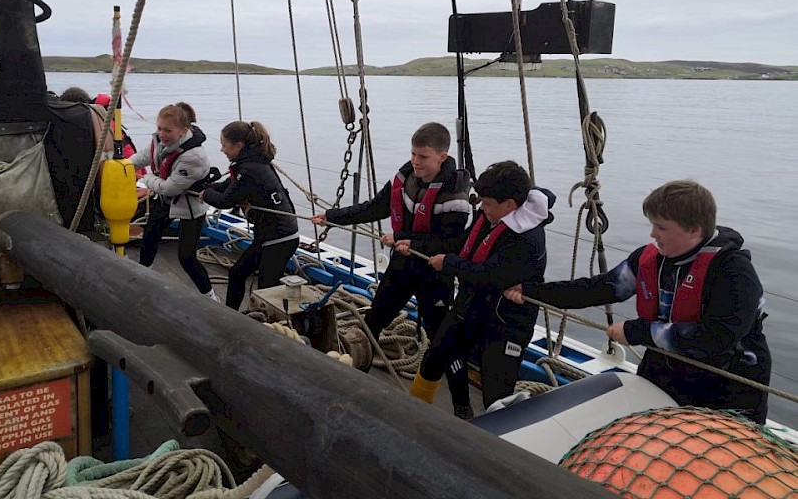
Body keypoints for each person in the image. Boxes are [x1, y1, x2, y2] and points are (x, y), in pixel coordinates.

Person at [505, 179, 771, 424]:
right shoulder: (650, 259)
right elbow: (598, 289)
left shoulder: (734, 272)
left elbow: (716, 337)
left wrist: (636, 332)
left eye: (662, 227)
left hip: (726, 388)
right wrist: (533, 292)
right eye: (652, 225)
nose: (653, 234)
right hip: (667, 372)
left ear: (694, 230)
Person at [311, 122, 473, 418]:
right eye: (413, 154)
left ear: (442, 156)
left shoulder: (455, 197)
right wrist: (331, 217)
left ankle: (462, 405)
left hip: (434, 274)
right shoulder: (405, 178)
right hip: (401, 267)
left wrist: (405, 239)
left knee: (443, 340)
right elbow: (374, 208)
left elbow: (452, 243)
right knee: (375, 319)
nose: (415, 161)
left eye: (423, 157)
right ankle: (350, 375)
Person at [409, 160, 554, 414]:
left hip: (505, 322)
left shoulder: (528, 240)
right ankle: (438, 412)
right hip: (469, 306)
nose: (482, 208)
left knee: (496, 396)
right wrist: (413, 243)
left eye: (487, 204)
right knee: (436, 356)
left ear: (510, 205)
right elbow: (463, 243)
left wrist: (449, 264)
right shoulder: (489, 215)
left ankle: (492, 441)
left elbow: (491, 276)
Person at [200, 121, 299, 310]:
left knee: (266, 290)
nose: (222, 150)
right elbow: (229, 186)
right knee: (237, 273)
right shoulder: (250, 163)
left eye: (224, 145)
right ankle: (230, 316)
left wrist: (206, 195)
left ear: (238, 146)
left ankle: (272, 329)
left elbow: (226, 201)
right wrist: (206, 187)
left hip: (280, 239)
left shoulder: (249, 170)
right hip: (268, 236)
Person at [129, 102, 218, 301]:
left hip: (190, 206)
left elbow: (170, 187)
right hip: (165, 200)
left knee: (186, 257)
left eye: (167, 130)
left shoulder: (194, 156)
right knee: (150, 237)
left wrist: (144, 179)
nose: (162, 133)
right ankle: (143, 278)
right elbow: (144, 156)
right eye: (159, 128)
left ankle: (211, 297)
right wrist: (123, 165)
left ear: (183, 131)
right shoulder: (161, 142)